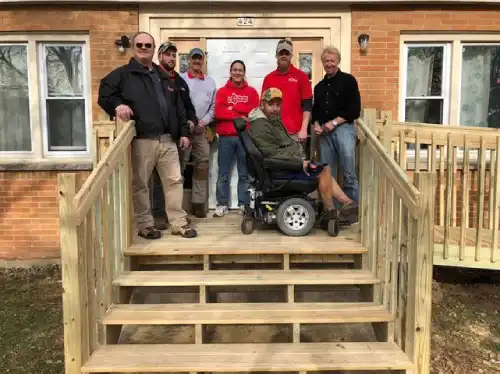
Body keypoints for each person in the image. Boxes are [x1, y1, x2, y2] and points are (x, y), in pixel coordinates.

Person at [98, 31, 197, 239]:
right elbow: (105, 92)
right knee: (141, 184)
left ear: (153, 50)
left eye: (148, 45)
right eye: (140, 45)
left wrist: (184, 132)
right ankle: (145, 225)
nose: (144, 48)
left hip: (168, 139)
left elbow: (179, 107)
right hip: (142, 139)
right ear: (134, 48)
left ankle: (179, 223)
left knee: (175, 181)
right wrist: (118, 104)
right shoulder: (124, 74)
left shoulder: (165, 77)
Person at [248, 87, 358, 222]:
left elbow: (282, 145)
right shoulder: (261, 125)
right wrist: (299, 163)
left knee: (324, 169)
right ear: (262, 104)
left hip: (288, 163)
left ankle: (347, 203)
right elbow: (271, 153)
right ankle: (330, 212)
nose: (275, 108)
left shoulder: (272, 120)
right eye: (270, 104)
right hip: (281, 169)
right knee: (323, 171)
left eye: (277, 105)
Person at [150, 41, 198, 230]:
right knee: (158, 180)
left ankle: (176, 217)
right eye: (167, 54)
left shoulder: (179, 81)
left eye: (173, 55)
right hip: (160, 138)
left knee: (176, 179)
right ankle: (159, 214)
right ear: (160, 56)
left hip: (180, 138)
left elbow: (187, 107)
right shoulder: (153, 78)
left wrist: (192, 120)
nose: (171, 58)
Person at [312, 45, 361, 202]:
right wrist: (317, 124)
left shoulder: (348, 80)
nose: (329, 64)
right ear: (323, 63)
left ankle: (352, 211)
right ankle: (332, 212)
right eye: (326, 61)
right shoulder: (319, 87)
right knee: (327, 174)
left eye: (332, 61)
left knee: (349, 173)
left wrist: (334, 122)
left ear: (338, 61)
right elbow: (316, 111)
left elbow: (355, 110)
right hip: (325, 134)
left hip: (344, 129)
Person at [213, 60, 259, 217]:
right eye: (235, 70)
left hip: (245, 137)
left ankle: (243, 203)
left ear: (244, 72)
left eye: (240, 70)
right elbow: (218, 112)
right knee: (223, 173)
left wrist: (231, 109)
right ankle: (222, 204)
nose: (237, 72)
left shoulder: (252, 92)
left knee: (244, 173)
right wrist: (240, 115)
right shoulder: (222, 92)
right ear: (230, 72)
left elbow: (253, 113)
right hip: (226, 137)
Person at [180, 48, 217, 218]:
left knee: (202, 166)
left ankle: (198, 204)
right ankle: (177, 206)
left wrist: (204, 121)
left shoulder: (210, 82)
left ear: (203, 61)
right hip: (185, 130)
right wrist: (187, 122)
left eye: (199, 58)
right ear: (188, 60)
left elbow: (213, 107)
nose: (197, 61)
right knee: (178, 167)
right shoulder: (181, 80)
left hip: (201, 130)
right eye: (194, 58)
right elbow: (177, 105)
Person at [261, 39, 312, 143]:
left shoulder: (301, 76)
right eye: (281, 53)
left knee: (296, 160)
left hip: (295, 133)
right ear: (276, 55)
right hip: (273, 133)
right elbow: (263, 105)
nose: (284, 56)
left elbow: (307, 105)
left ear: (291, 55)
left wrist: (303, 129)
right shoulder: (269, 78)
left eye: (287, 53)